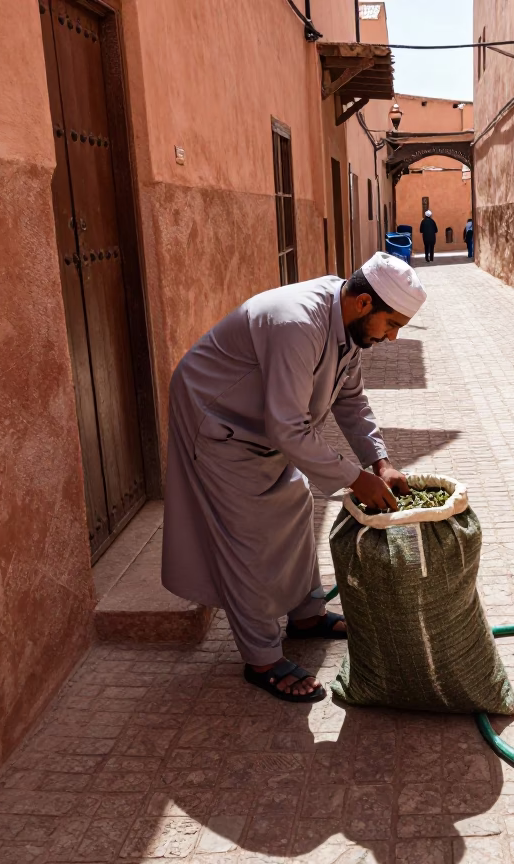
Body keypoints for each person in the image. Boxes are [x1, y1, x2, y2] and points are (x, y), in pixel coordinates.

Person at [161, 253, 426, 702]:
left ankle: (306, 615)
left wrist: (379, 461)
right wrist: (354, 479)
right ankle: (262, 657)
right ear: (364, 303)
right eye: (392, 323)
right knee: (246, 535)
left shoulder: (349, 328)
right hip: (217, 417)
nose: (393, 336)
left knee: (298, 502)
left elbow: (351, 400)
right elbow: (287, 428)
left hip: (265, 426)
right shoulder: (298, 323)